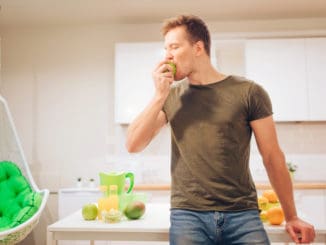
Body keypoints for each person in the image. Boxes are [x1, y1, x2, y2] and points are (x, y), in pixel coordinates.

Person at [126, 14, 315, 244]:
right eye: (166, 48)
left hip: (243, 214)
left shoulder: (249, 92)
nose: (167, 55)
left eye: (174, 46)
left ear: (198, 48)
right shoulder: (171, 96)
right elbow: (133, 144)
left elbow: (273, 157)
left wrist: (291, 216)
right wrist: (159, 95)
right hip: (188, 215)